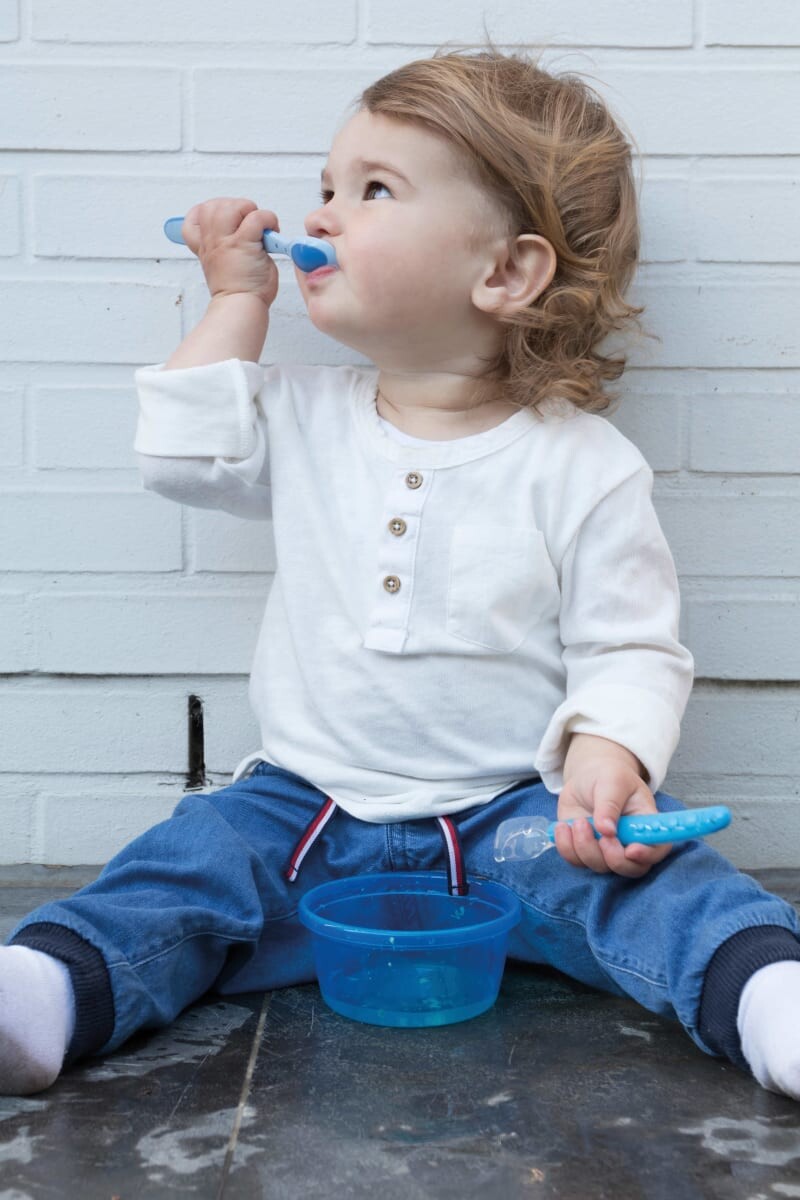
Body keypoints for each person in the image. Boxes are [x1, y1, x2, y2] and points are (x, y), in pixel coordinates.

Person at [2, 44, 799, 1100]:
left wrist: (608, 749)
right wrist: (237, 299)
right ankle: (43, 994)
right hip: (300, 810)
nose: (321, 216)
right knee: (180, 870)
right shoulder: (301, 414)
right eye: (326, 188)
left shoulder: (582, 464)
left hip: (509, 817)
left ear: (504, 273)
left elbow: (628, 644)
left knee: (666, 889)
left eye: (372, 190)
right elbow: (179, 456)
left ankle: (770, 999)